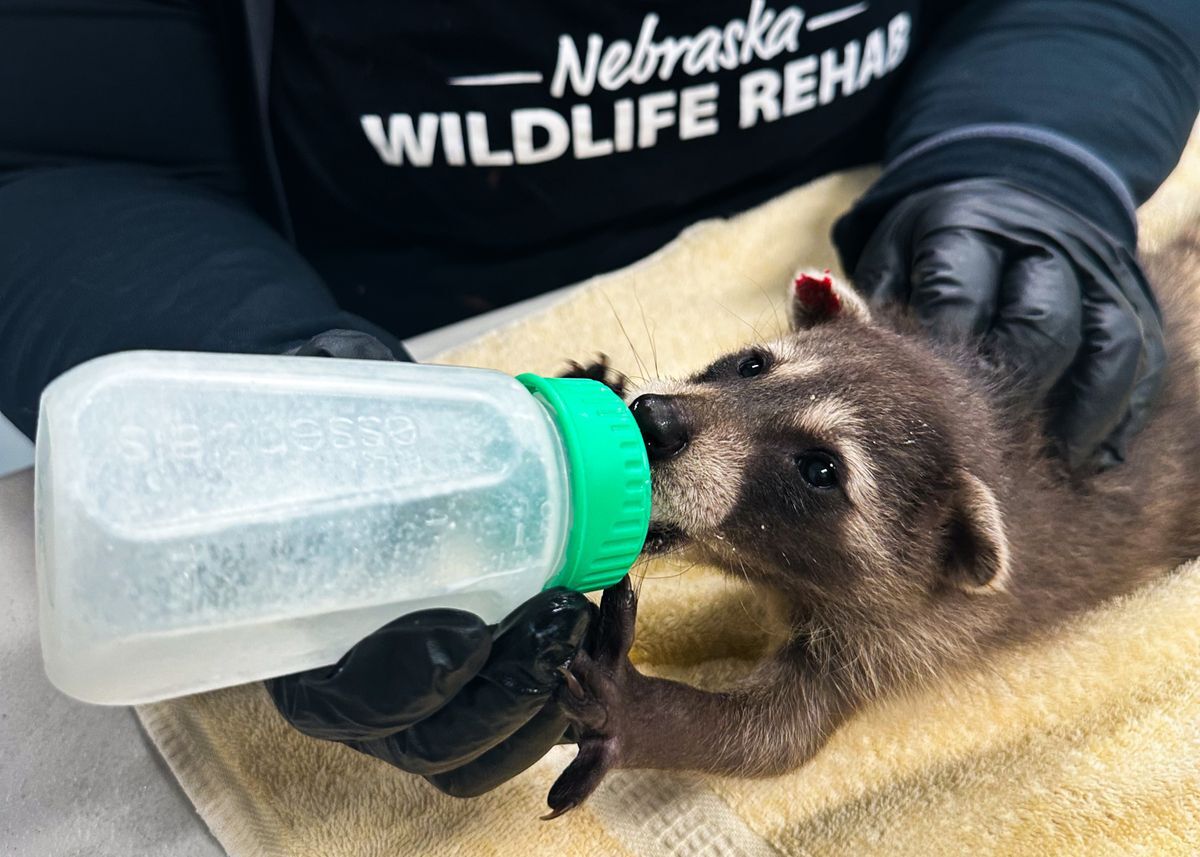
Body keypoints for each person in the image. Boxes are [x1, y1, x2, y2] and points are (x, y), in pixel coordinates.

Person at [1, 0, 1197, 797]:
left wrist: (1033, 151)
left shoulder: (930, 590)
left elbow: (787, 720)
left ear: (954, 551)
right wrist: (276, 376)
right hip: (365, 281)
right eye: (741, 371)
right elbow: (48, 142)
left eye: (818, 470)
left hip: (904, 167)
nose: (681, 414)